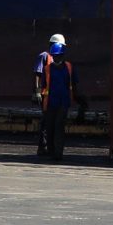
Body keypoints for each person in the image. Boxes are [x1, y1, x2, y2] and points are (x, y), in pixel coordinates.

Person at [35, 32, 76, 161]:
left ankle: (57, 153)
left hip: (63, 102)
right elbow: (39, 77)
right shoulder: (46, 64)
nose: (57, 58)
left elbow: (73, 83)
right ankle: (47, 149)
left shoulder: (68, 67)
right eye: (56, 56)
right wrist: (37, 92)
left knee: (58, 126)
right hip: (50, 102)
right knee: (48, 126)